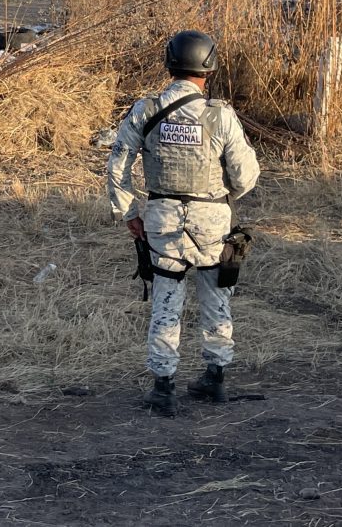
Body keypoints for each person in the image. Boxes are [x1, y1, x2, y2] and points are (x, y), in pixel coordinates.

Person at [106, 30, 260, 416]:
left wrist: (129, 213)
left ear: (169, 64)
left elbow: (118, 164)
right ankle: (215, 377)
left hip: (163, 219)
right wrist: (220, 199)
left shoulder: (146, 110)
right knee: (217, 297)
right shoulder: (220, 115)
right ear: (209, 68)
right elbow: (245, 176)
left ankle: (163, 386)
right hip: (213, 222)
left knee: (166, 300)